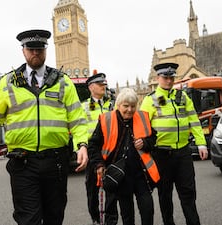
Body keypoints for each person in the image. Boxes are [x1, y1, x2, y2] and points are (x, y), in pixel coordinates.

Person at [0, 29, 89, 225]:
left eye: (39, 48)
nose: (35, 52)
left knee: (54, 216)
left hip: (56, 161)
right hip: (22, 162)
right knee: (28, 219)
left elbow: (77, 118)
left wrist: (82, 145)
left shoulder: (62, 81)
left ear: (45, 50)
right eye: (30, 48)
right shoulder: (8, 82)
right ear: (23, 51)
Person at [140, 62, 208, 225]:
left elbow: (193, 120)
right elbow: (143, 129)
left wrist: (201, 143)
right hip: (162, 155)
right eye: (165, 77)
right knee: (165, 195)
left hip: (183, 153)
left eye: (171, 77)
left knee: (188, 193)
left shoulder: (183, 97)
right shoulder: (150, 100)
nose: (169, 81)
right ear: (158, 78)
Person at [89, 88, 160, 225]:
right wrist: (99, 164)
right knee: (127, 215)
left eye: (133, 106)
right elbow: (93, 145)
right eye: (126, 106)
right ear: (118, 105)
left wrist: (145, 143)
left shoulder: (143, 117)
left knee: (148, 210)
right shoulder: (106, 119)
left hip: (141, 174)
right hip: (120, 176)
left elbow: (153, 138)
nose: (129, 110)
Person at [82, 71, 115, 225]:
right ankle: (96, 218)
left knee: (112, 190)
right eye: (100, 84)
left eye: (104, 84)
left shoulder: (112, 105)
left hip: (111, 153)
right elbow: (79, 130)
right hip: (93, 155)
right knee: (93, 191)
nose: (103, 86)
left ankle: (110, 220)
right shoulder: (83, 107)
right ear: (90, 87)